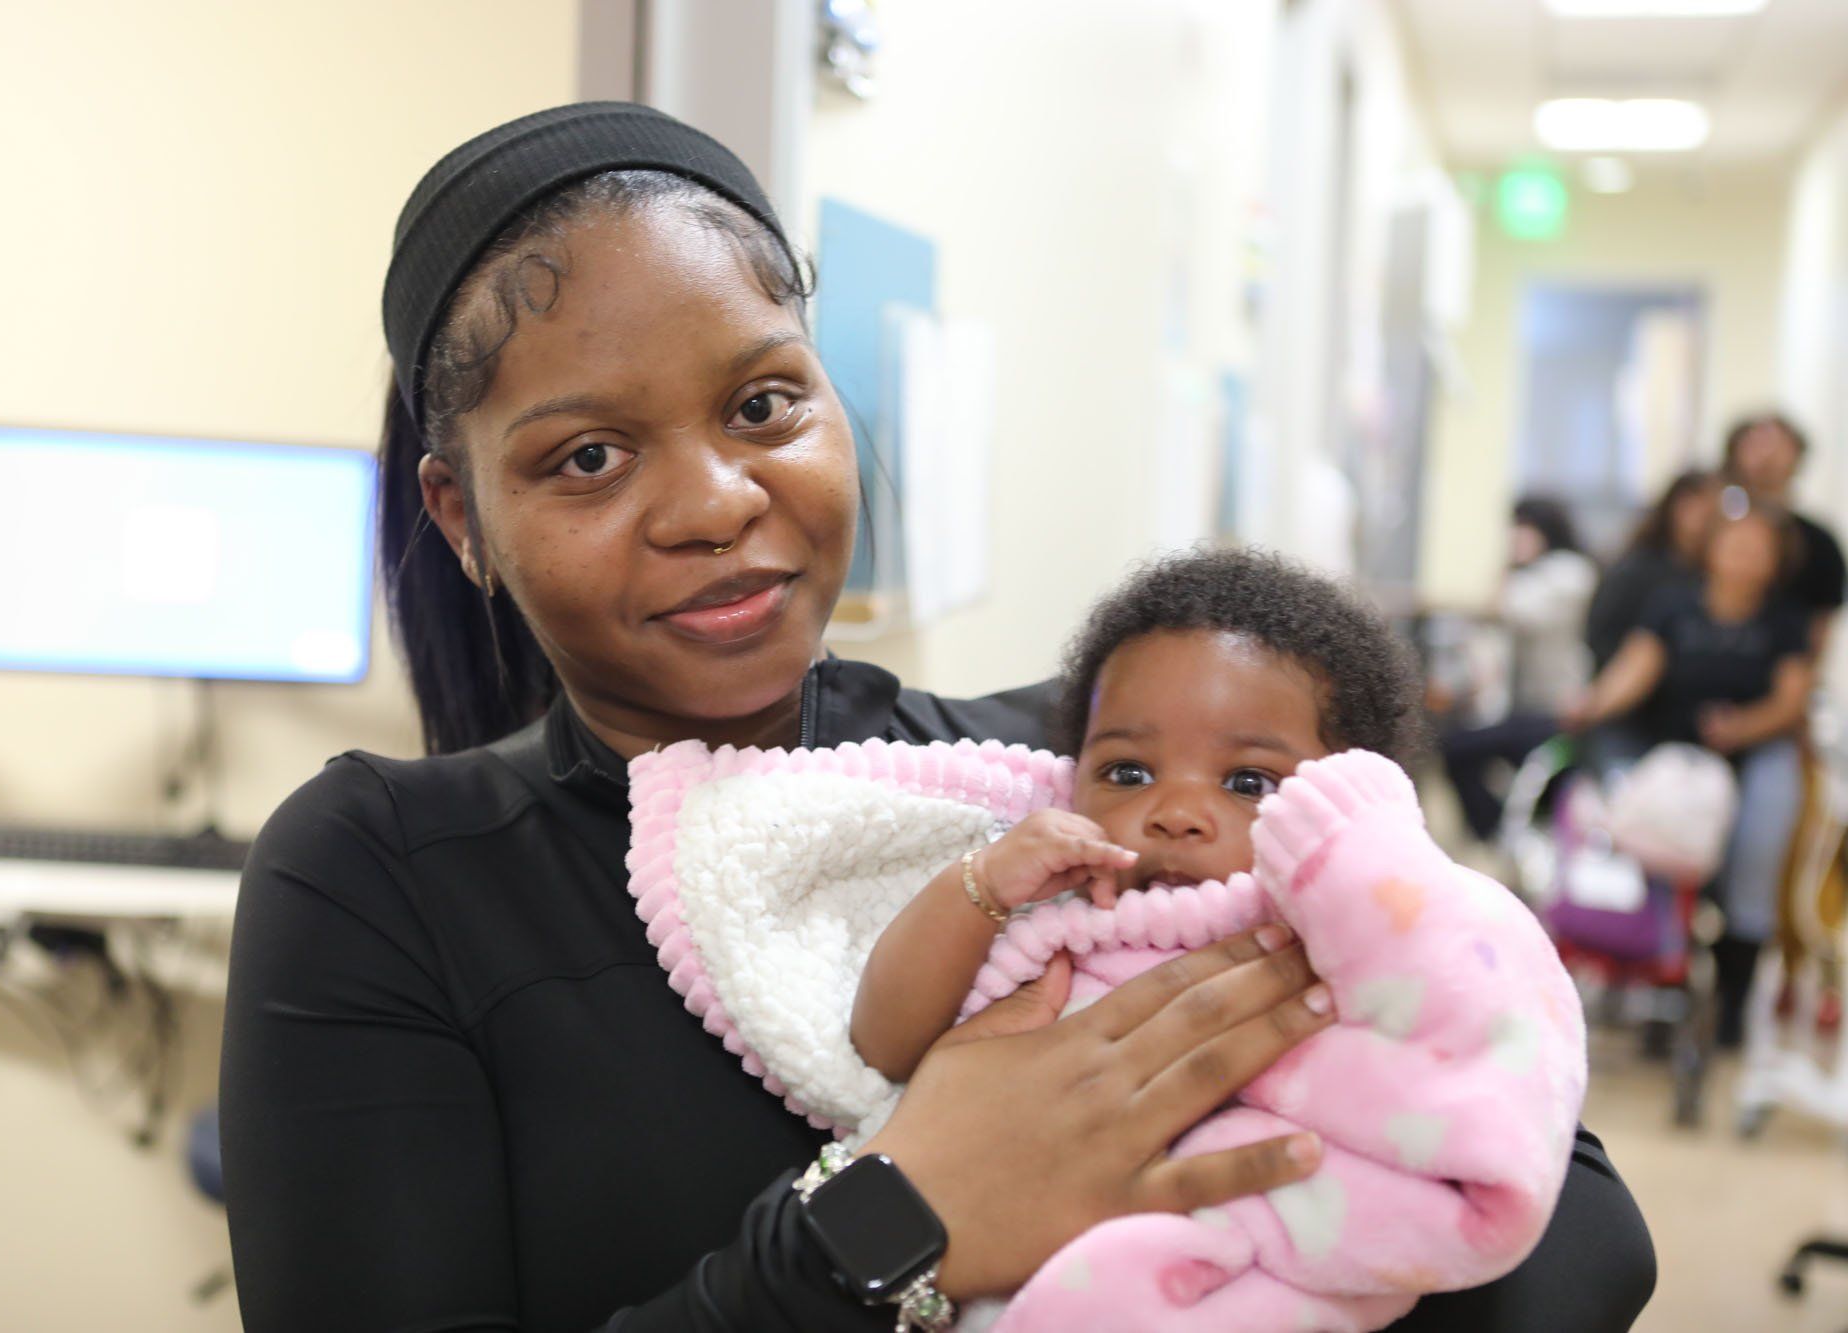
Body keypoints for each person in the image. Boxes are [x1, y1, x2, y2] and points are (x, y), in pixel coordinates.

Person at [219, 102, 1654, 1332]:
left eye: (765, 403)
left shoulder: (1068, 780)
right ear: (460, 513)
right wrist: (897, 1220)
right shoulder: (383, 880)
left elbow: (1572, 1225)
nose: (719, 501)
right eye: (588, 456)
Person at [851, 551, 1583, 1331]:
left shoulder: (1341, 933)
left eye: (1247, 782)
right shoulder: (1065, 920)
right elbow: (887, 1041)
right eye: (1128, 772)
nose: (1176, 811)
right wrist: (981, 886)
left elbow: (1470, 1030)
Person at [1566, 500, 1815, 1044]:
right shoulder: (1672, 605)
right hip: (1675, 750)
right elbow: (1636, 668)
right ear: (1712, 549)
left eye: (1758, 548)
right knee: (1648, 827)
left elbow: (1791, 700)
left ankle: (1733, 1003)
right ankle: (1658, 982)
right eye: (1735, 543)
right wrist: (1592, 704)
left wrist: (1742, 727)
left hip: (1752, 755)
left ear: (1775, 561)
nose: (1744, 556)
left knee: (1758, 839)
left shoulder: (1785, 621)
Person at [1440, 497, 1598, 845]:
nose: (1516, 537)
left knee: (1457, 747)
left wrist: (1507, 568)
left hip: (1558, 715)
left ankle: (1500, 836)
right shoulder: (1536, 575)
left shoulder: (1569, 573)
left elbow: (1508, 609)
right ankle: (1500, 835)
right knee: (1458, 747)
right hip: (1526, 711)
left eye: (1524, 528)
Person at [1724, 412, 1845, 652]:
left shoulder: (1820, 544)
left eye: (1775, 444)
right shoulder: (1713, 527)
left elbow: (1819, 631)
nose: (1765, 453)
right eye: (1755, 442)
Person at [1585, 469, 1717, 675]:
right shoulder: (1637, 569)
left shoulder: (1713, 572)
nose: (1705, 517)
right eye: (1696, 505)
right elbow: (1600, 635)